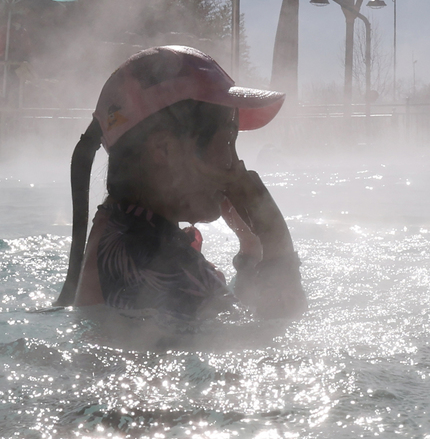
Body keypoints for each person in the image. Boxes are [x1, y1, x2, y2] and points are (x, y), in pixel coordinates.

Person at [53, 46, 305, 336]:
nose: (236, 168)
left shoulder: (122, 226)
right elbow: (270, 346)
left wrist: (251, 246)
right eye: (226, 146)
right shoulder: (164, 266)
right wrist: (276, 240)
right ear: (164, 150)